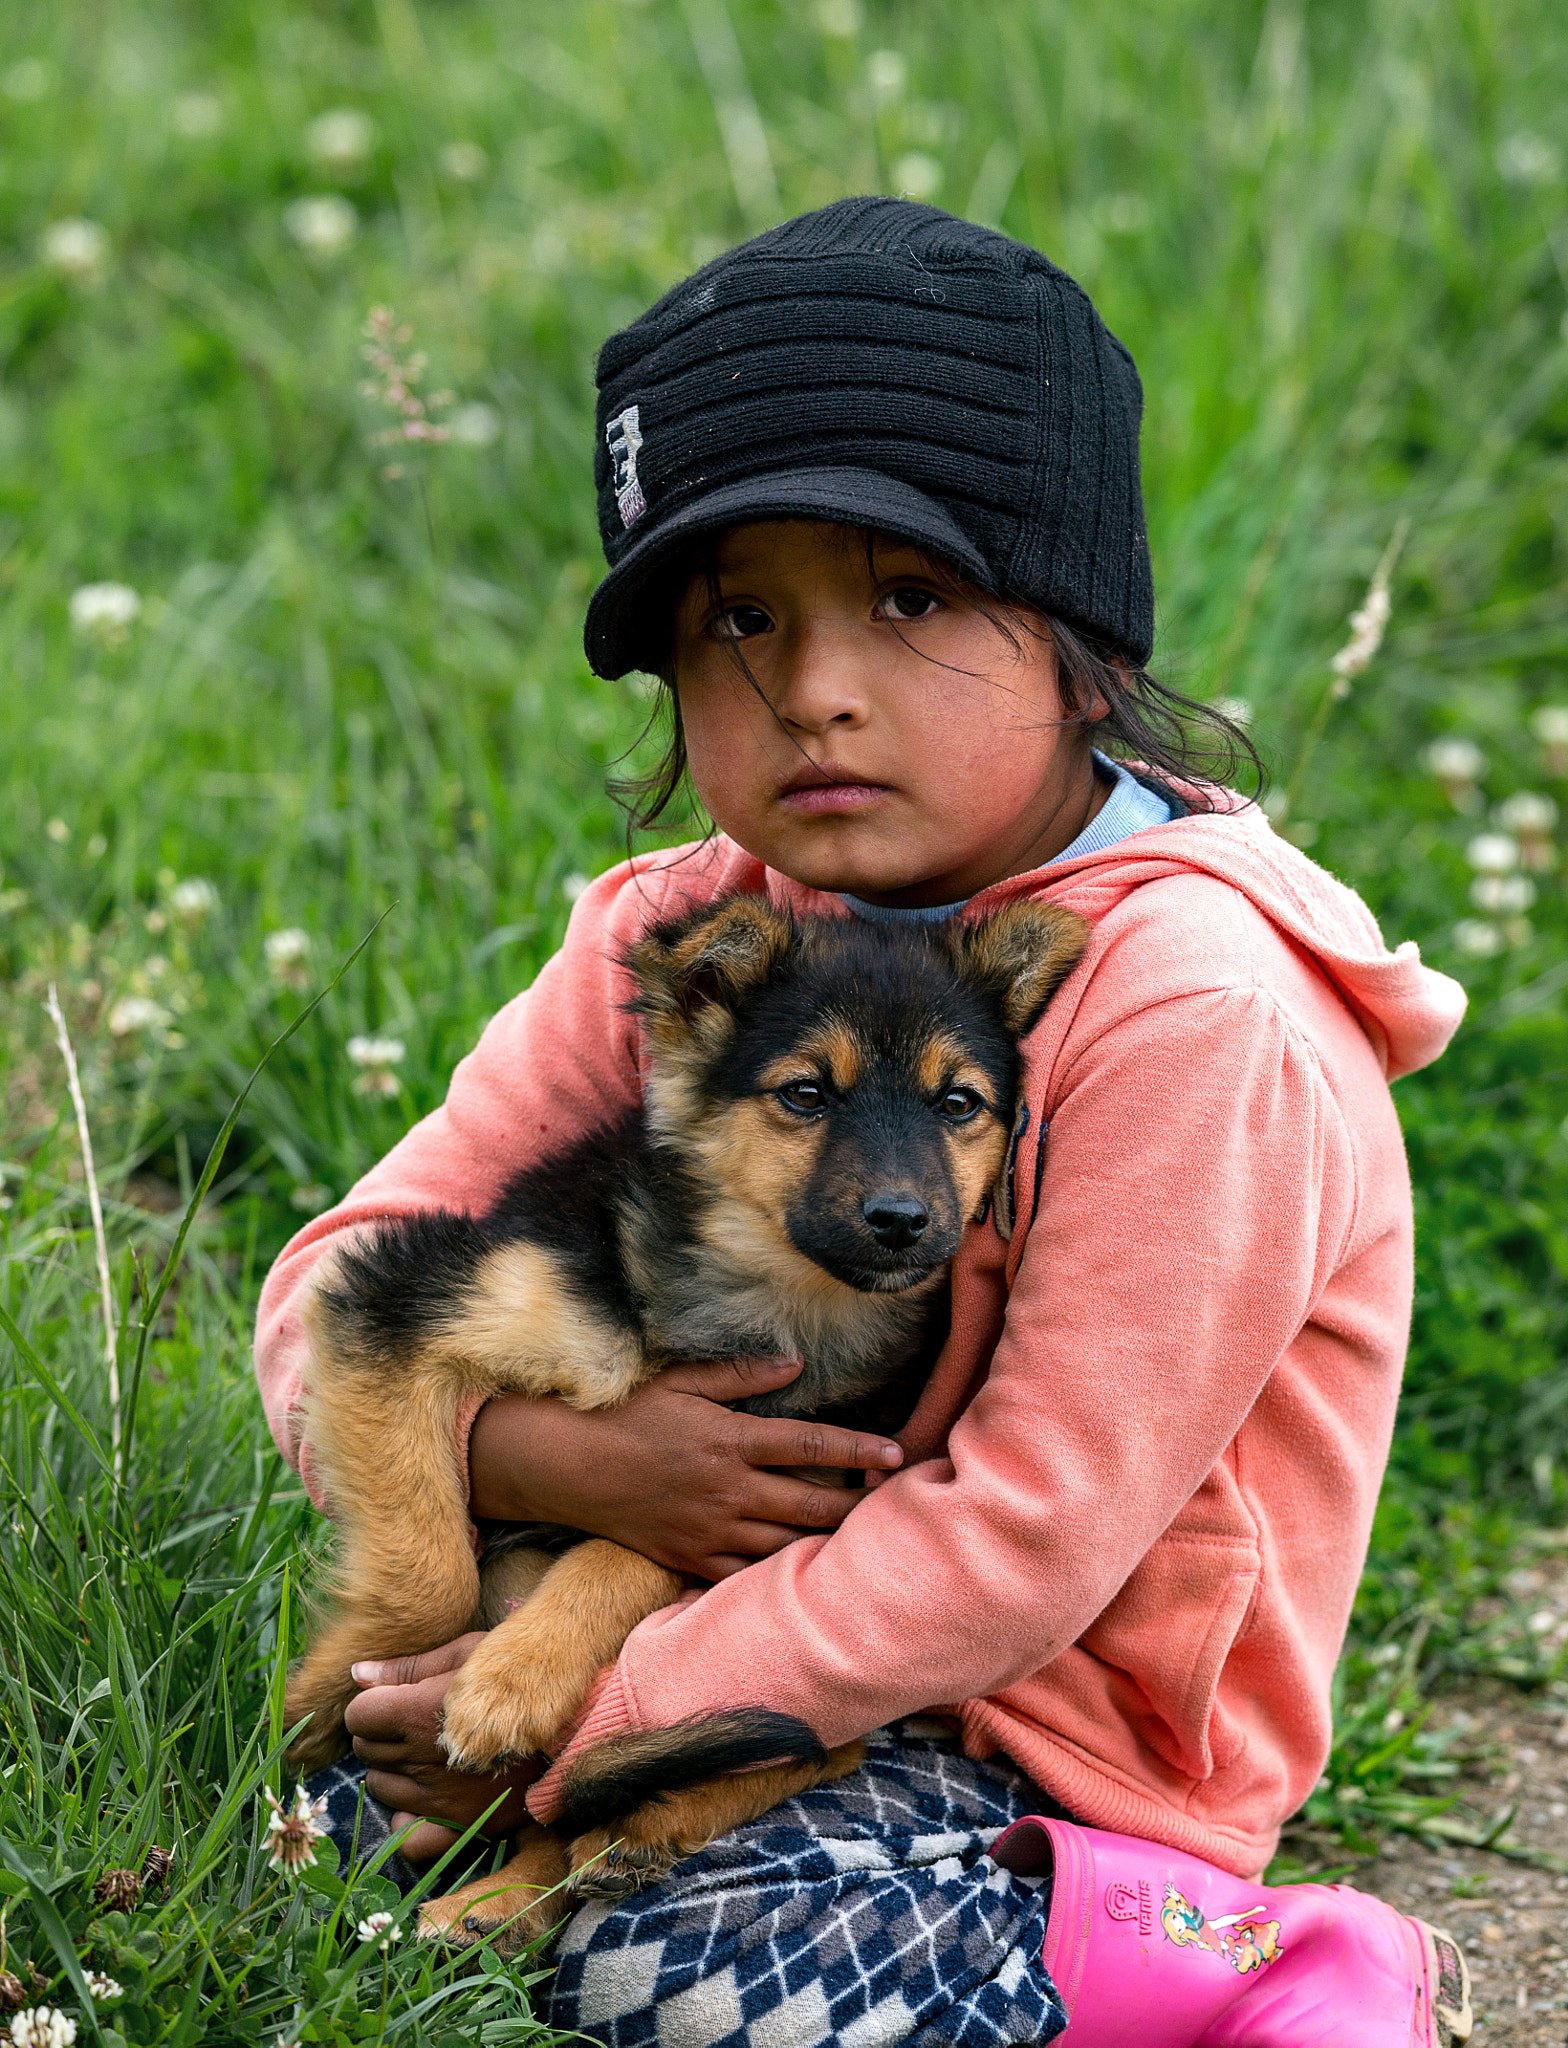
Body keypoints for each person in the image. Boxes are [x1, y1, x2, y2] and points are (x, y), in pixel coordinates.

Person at [255, 199, 1473, 2046]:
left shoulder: (1196, 1012)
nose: (814, 687)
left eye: (909, 598)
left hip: (1032, 1756)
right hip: (649, 1623)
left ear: (1074, 631)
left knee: (679, 1972)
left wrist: (587, 1707)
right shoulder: (692, 940)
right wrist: (550, 1470)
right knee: (309, 1825)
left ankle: (1235, 1960)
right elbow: (340, 1285)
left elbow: (1024, 1542)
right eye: (743, 618)